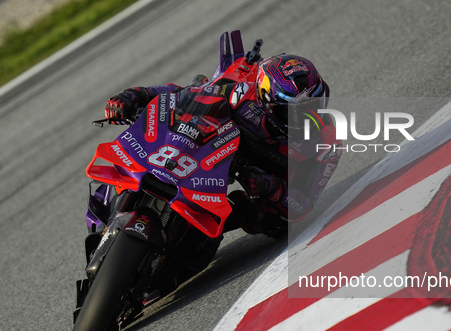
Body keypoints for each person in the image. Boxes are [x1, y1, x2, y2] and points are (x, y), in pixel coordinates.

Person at [104, 55, 341, 290]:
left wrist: (273, 188)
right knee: (138, 152)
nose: (306, 118)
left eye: (314, 106)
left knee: (273, 224)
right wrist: (137, 95)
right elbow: (185, 93)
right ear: (266, 101)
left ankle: (175, 260)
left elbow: (304, 205)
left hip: (263, 184)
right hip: (214, 149)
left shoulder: (326, 142)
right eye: (292, 111)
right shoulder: (242, 90)